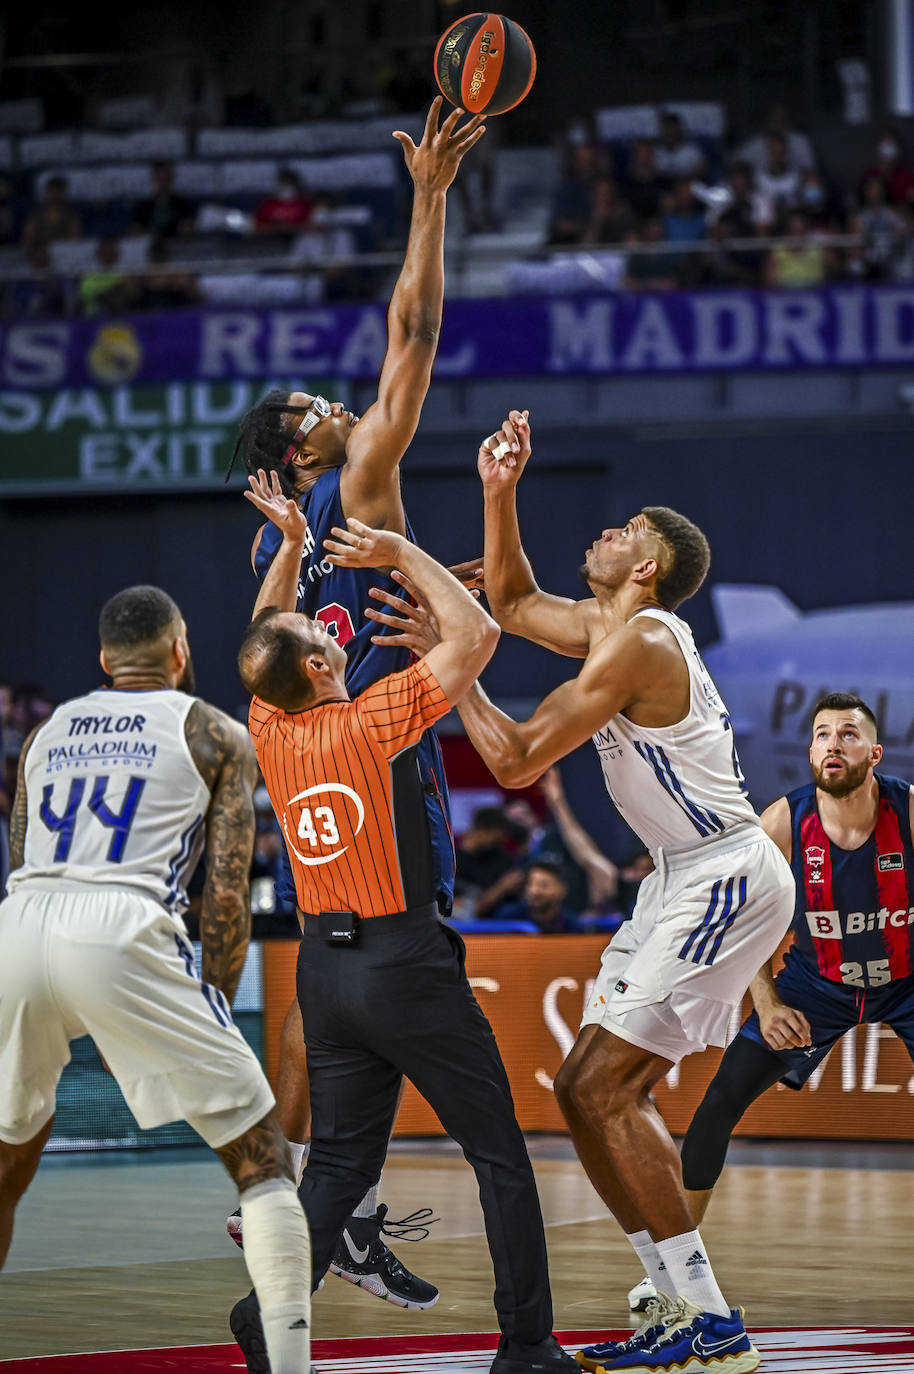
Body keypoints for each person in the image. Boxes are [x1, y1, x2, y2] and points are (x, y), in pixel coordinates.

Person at [445, 409, 795, 1373]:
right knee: (585, 1091)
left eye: (625, 529)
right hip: (683, 876)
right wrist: (497, 490)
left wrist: (449, 669)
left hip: (726, 870)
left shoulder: (643, 639)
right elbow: (512, 601)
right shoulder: (610, 625)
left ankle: (710, 1319)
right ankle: (679, 1301)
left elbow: (515, 758)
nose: (605, 532)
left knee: (605, 1084)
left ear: (648, 566)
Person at [229, 474, 579, 1374]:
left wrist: (295, 549)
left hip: (322, 969)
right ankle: (530, 1346)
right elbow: (481, 635)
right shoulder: (367, 721)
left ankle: (267, 1313)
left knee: (340, 1167)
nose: (332, 634)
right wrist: (400, 555)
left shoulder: (271, 724)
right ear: (320, 667)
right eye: (323, 636)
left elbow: (262, 642)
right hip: (401, 961)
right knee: (499, 1153)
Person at [228, 96, 486, 1306]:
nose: (335, 402)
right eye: (309, 408)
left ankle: (320, 1207)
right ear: (297, 453)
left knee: (319, 988)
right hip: (379, 769)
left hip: (306, 781)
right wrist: (430, 196)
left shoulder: (287, 552)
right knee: (401, 978)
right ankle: (339, 1208)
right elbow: (416, 331)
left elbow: (254, 646)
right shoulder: (359, 479)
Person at [0, 586, 313, 1374]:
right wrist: (207, 994)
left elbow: (21, 854)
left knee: (8, 1155)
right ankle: (292, 1365)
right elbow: (231, 890)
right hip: (122, 928)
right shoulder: (212, 730)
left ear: (104, 660)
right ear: (180, 653)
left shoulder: (44, 732)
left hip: (22, 922)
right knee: (263, 1159)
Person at [674, 694, 914, 1262]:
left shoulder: (907, 813)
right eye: (823, 734)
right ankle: (675, 1265)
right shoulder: (782, 821)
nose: (834, 743)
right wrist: (769, 999)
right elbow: (743, 923)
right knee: (715, 1109)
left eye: (848, 734)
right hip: (816, 986)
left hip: (906, 981)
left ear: (875, 752)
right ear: (809, 752)